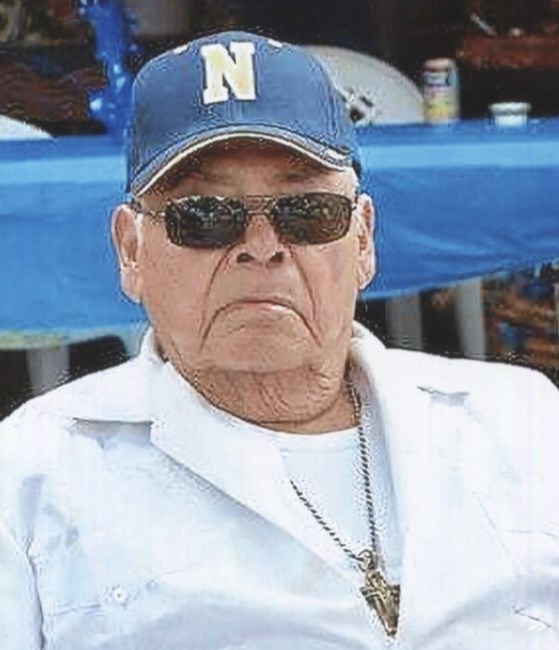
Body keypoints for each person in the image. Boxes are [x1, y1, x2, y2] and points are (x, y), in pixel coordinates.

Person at [1, 30, 558, 650]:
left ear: (363, 241)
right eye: (204, 217)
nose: (262, 248)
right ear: (131, 251)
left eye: (307, 213)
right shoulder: (33, 475)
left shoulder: (520, 420)